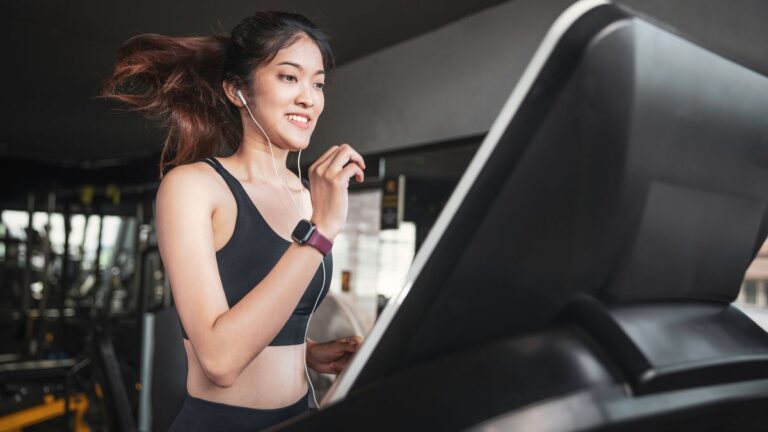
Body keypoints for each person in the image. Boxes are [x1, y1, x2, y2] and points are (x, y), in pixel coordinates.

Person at [102, 11, 365, 431]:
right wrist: (321, 231)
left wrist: (307, 351)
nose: (309, 98)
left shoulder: (305, 196)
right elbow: (220, 361)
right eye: (289, 77)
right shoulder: (194, 187)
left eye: (317, 84)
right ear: (237, 90)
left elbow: (269, 317)